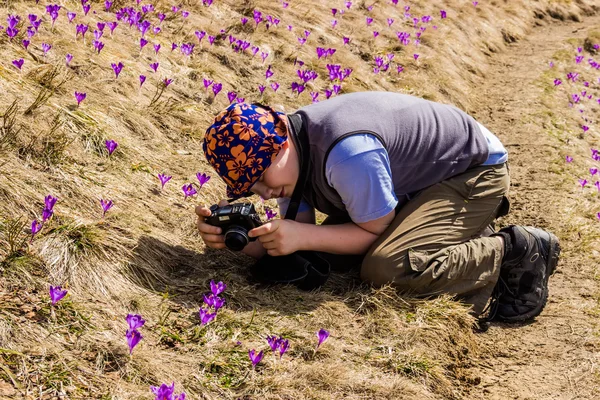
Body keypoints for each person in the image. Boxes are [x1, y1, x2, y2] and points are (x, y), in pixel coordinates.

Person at [195, 91, 560, 323]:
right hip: (420, 179)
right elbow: (300, 243)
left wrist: (301, 234)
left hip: (473, 171)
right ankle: (450, 228)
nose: (263, 193)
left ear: (281, 146)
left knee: (388, 266)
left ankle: (516, 248)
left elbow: (374, 232)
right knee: (333, 252)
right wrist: (253, 243)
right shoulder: (294, 150)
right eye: (249, 188)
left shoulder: (349, 154)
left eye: (259, 178)